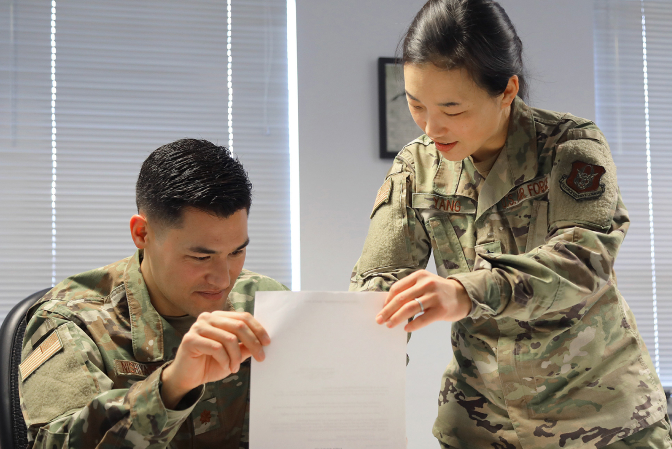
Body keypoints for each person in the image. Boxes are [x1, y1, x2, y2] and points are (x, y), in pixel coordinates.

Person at [349, 0, 670, 448]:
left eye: (453, 108)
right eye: (416, 104)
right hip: (482, 426)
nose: (432, 126)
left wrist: (466, 292)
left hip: (601, 420)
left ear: (507, 90)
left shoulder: (570, 147)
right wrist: (361, 328)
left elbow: (581, 262)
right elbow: (378, 279)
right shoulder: (414, 166)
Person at [18, 139, 288, 448]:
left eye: (237, 252)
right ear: (142, 234)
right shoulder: (70, 320)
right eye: (201, 257)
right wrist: (172, 386)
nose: (223, 278)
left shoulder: (265, 303)